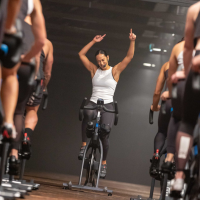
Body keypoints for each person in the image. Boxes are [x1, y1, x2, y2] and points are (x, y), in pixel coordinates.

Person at [78, 29, 136, 178]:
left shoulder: (115, 71)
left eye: (103, 60)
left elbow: (129, 57)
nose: (101, 63)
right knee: (87, 113)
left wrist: (132, 41)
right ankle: (84, 146)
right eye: (98, 61)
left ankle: (103, 163)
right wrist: (93, 41)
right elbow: (81, 54)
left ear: (108, 58)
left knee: (105, 134)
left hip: (108, 105)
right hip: (93, 102)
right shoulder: (93, 69)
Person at [7, 0, 46, 174]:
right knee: (18, 111)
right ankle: (14, 154)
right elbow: (40, 45)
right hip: (27, 66)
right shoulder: (33, 5)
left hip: (7, 56)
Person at [171, 1, 200, 195]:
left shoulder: (195, 9)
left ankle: (179, 177)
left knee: (188, 121)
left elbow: (188, 47)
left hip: (197, 66)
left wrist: (187, 72)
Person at [23, 37, 53, 157]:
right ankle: (26, 136)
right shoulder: (46, 43)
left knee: (15, 110)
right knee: (31, 109)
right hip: (36, 79)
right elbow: (48, 71)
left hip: (17, 75)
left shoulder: (18, 30)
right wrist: (44, 86)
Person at [149, 62, 172, 180]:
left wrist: (154, 106)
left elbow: (157, 92)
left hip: (167, 103)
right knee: (181, 133)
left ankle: (157, 155)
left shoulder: (167, 65)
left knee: (162, 132)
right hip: (184, 103)